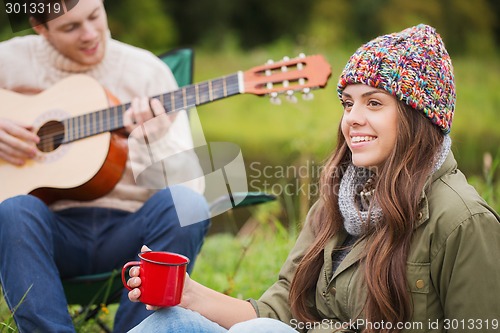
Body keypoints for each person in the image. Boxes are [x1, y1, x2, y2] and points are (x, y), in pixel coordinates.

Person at [126, 24, 500, 333]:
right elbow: (280, 310)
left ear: (419, 118)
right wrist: (188, 294)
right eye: (348, 103)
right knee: (170, 322)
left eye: (373, 103)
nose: (352, 117)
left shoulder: (463, 221)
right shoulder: (341, 198)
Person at [0, 0, 210, 332]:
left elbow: (192, 187)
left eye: (95, 16)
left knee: (187, 204)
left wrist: (153, 141)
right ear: (40, 28)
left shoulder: (147, 71)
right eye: (70, 27)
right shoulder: (9, 61)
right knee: (13, 211)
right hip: (48, 235)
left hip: (134, 234)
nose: (89, 34)